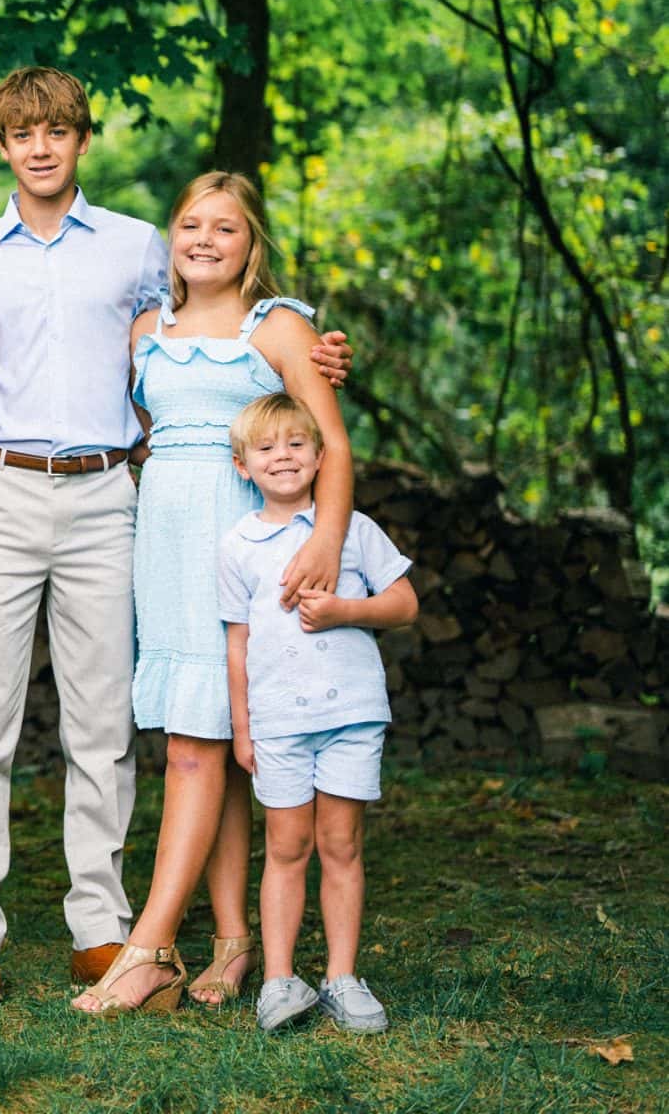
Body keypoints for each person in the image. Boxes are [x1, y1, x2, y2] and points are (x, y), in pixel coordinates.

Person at [0, 69, 351, 1007]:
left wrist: (321, 348)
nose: (39, 148)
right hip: (2, 489)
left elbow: (222, 328)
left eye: (56, 131)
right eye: (20, 134)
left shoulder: (138, 247)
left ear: (81, 140)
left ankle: (101, 925)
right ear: (1, 145)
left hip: (110, 497)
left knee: (104, 722)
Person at [74, 171, 352, 1015]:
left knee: (197, 745)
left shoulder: (279, 326)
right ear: (172, 235)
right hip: (164, 544)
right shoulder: (143, 331)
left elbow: (329, 445)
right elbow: (148, 439)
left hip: (244, 546)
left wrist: (326, 541)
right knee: (209, 738)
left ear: (249, 244)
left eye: (224, 229)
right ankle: (231, 941)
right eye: (190, 224)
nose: (204, 240)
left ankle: (147, 947)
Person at [219, 392, 417, 1034]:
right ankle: (278, 981)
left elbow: (405, 604)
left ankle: (340, 977)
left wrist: (345, 611)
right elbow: (237, 643)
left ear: (321, 455)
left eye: (297, 444)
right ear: (243, 465)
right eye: (267, 447)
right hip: (277, 723)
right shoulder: (239, 545)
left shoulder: (352, 530)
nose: (283, 457)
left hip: (351, 718)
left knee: (341, 844)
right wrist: (243, 727)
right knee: (286, 847)